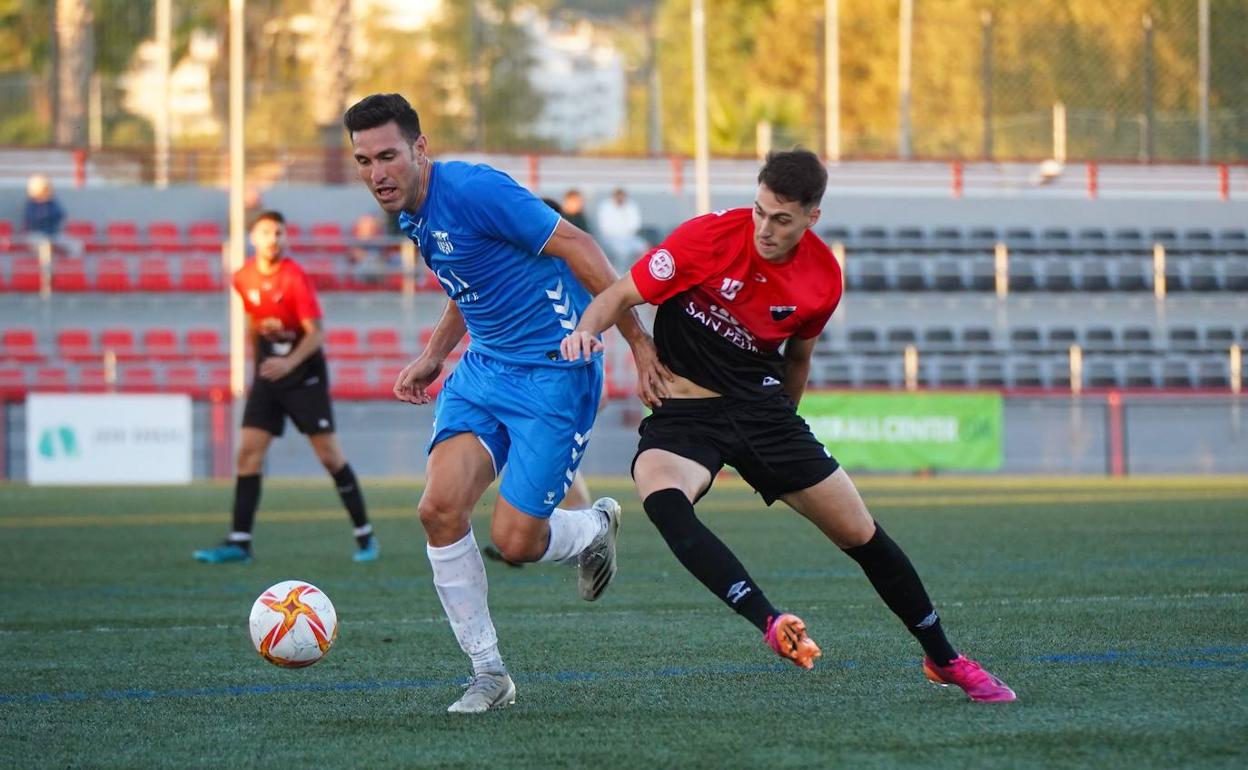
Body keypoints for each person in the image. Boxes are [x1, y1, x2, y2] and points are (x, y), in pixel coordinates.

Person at [561, 149, 1017, 703]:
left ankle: (945, 658)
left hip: (763, 412)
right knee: (660, 496)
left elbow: (798, 359)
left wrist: (781, 434)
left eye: (781, 219)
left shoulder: (822, 279)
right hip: (685, 414)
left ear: (810, 218)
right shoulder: (704, 239)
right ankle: (770, 622)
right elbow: (616, 295)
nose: (764, 228)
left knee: (863, 536)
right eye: (759, 211)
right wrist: (590, 335)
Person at [343, 93, 670, 714]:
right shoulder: (410, 210)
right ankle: (488, 673)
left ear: (420, 148)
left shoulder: (474, 191)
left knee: (517, 543)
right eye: (363, 160)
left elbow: (581, 249)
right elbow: (467, 282)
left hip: (554, 376)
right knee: (439, 510)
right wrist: (438, 354)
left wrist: (638, 345)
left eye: (387, 156)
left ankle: (596, 523)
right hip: (485, 372)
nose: (376, 173)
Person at [193, 210, 380, 565]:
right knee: (248, 453)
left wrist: (287, 363)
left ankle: (365, 536)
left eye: (278, 233)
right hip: (269, 379)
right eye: (266, 232)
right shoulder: (242, 278)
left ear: (285, 238)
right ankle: (239, 543)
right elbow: (255, 324)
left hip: (303, 377)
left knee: (329, 456)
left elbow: (316, 334)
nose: (273, 239)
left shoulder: (294, 277)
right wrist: (263, 365)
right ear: (253, 238)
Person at [22, 173, 80, 256]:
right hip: (37, 235)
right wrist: (44, 214)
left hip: (54, 233)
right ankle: (46, 268)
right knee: (45, 246)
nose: (45, 191)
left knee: (75, 245)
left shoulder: (52, 202)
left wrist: (46, 206)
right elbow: (33, 220)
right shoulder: (31, 204)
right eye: (43, 188)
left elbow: (60, 214)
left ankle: (70, 267)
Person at [594, 186, 647, 269]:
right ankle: (620, 276)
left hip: (629, 237)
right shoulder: (605, 206)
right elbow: (606, 228)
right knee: (622, 251)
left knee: (643, 247)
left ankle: (638, 270)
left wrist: (625, 232)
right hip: (610, 238)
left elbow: (635, 225)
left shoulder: (631, 205)